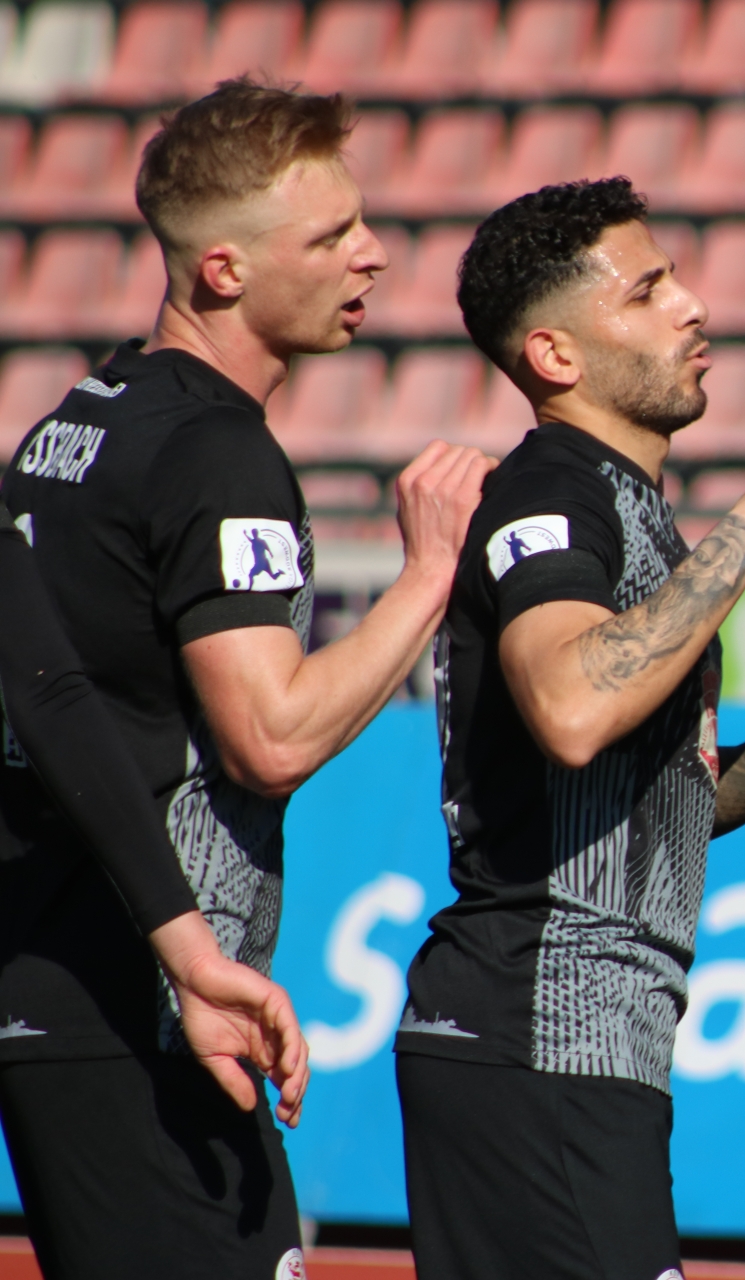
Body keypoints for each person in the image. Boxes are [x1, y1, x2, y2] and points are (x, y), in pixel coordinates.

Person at [0, 78, 490, 1278]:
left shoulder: (84, 414)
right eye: (330, 237)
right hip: (143, 1003)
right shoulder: (216, 451)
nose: (372, 254)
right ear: (223, 269)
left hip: (60, 973)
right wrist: (430, 574)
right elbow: (268, 736)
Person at [395, 178, 745, 1280]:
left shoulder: (624, 500)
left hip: (578, 1046)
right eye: (647, 290)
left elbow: (636, 809)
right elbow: (573, 706)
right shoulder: (551, 492)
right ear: (555, 354)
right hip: (532, 1033)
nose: (691, 305)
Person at [0, 496, 311, 1267]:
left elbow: (46, 693)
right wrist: (421, 585)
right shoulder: (213, 456)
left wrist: (190, 959)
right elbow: (49, 696)